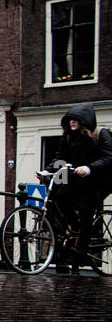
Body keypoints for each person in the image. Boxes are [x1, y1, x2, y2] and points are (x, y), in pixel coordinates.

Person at [47, 102, 112, 269]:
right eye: (69, 120)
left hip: (101, 179)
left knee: (86, 211)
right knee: (60, 196)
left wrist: (89, 167)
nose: (72, 122)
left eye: (75, 119)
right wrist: (46, 170)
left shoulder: (100, 134)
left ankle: (81, 252)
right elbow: (60, 158)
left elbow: (108, 157)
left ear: (84, 121)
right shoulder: (68, 137)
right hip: (78, 177)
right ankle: (75, 227)